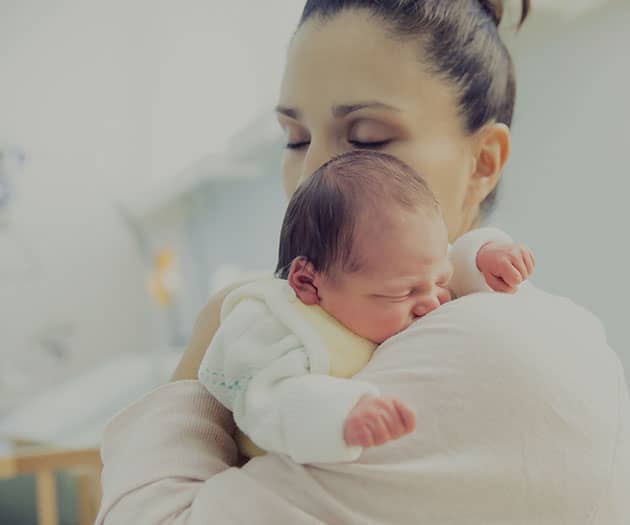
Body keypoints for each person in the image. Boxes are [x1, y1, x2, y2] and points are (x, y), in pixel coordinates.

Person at [97, 1, 630, 523]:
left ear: (483, 161)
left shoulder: (499, 351)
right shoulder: (331, 330)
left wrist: (198, 365)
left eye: (368, 139)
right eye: (294, 139)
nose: (312, 174)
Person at [199, 150, 535, 464]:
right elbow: (269, 403)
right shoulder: (283, 329)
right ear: (309, 283)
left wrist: (485, 257)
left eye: (440, 281)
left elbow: (453, 259)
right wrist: (343, 415)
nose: (433, 301)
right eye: (402, 293)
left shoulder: (408, 270)